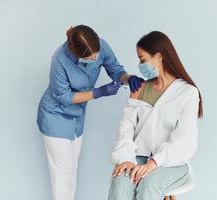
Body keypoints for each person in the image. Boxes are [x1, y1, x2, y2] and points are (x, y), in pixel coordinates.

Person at [37, 24, 144, 200]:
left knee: (71, 170)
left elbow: (116, 70)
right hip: (55, 116)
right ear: (76, 54)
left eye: (97, 56)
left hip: (77, 119)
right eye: (90, 59)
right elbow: (64, 97)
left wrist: (128, 78)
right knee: (61, 174)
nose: (96, 60)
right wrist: (98, 92)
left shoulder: (100, 46)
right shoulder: (60, 59)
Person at [108, 31, 203, 200]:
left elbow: (185, 139)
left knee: (148, 184)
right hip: (136, 158)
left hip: (172, 162)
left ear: (158, 57)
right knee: (120, 182)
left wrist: (154, 162)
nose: (139, 64)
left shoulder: (188, 92)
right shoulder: (139, 89)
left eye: (142, 60)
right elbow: (125, 129)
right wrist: (126, 159)